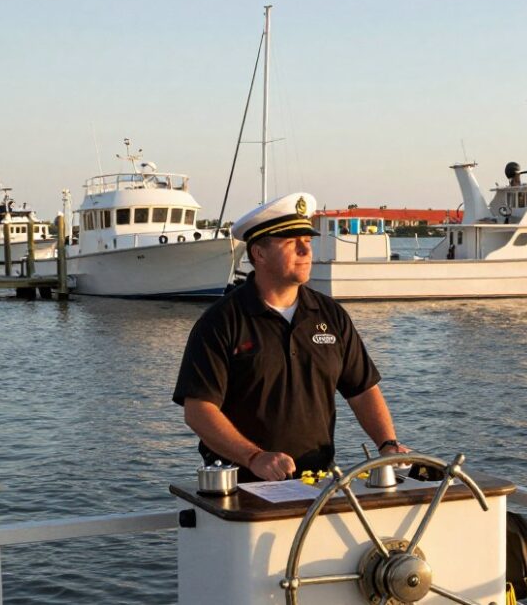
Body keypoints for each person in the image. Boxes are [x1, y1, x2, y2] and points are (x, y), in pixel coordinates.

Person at [173, 192, 408, 481]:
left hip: (317, 486)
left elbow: (362, 391)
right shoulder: (221, 322)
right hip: (242, 492)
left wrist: (387, 444)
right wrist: (254, 457)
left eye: (307, 242)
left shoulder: (330, 315)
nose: (306, 251)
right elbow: (198, 410)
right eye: (292, 243)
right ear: (259, 253)